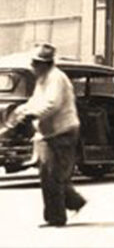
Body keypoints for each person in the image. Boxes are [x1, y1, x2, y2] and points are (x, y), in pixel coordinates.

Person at [2, 43, 86, 227]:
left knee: (51, 175)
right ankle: (74, 201)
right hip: (48, 132)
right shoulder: (43, 79)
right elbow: (36, 100)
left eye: (35, 63)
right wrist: (22, 110)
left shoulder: (56, 78)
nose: (32, 67)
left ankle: (56, 217)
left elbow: (52, 104)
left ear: (44, 64)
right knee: (50, 173)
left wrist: (33, 114)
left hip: (62, 131)